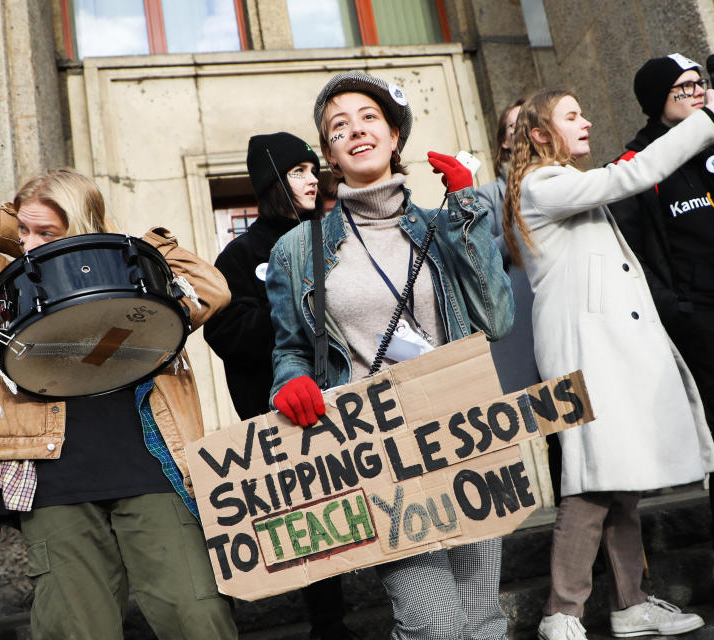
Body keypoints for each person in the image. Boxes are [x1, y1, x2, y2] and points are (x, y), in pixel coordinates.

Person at [0, 168, 237, 640]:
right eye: (25, 232)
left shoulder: (137, 281)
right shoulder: (9, 290)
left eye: (47, 233)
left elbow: (212, 289)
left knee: (197, 617)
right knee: (76, 629)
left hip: (151, 468)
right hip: (56, 479)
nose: (29, 243)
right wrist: (35, 236)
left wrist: (106, 247)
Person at [266, 70, 514, 640]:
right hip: (379, 452)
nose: (355, 131)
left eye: (369, 118)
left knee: (482, 620)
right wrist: (291, 382)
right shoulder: (296, 250)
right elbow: (290, 349)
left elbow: (497, 320)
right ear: (329, 153)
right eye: (338, 128)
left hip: (464, 435)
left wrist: (468, 213)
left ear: (395, 136)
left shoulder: (444, 225)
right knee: (432, 624)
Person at [501, 84, 714, 639]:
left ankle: (630, 603)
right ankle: (561, 612)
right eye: (572, 116)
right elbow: (627, 177)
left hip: (605, 352)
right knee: (590, 482)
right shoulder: (544, 183)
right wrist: (704, 119)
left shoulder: (562, 184)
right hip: (585, 356)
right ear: (539, 136)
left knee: (620, 477)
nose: (586, 123)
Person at [608, 54, 714, 615]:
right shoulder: (634, 163)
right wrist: (678, 311)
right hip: (701, 320)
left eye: (698, 85)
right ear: (655, 100)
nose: (694, 94)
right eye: (681, 88)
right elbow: (633, 253)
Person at [204, 132, 354, 640]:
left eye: (315, 169)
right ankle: (328, 626)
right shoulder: (240, 256)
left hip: (348, 402)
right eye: (298, 172)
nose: (314, 178)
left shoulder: (338, 234)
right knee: (315, 525)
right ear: (273, 183)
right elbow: (225, 332)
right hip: (286, 414)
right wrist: (291, 310)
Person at [475, 98, 541, 395]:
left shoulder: (568, 180)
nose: (527, 131)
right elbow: (480, 256)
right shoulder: (488, 195)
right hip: (525, 321)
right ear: (504, 141)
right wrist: (516, 230)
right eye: (518, 125)